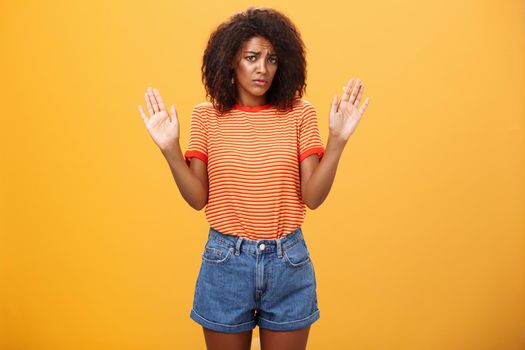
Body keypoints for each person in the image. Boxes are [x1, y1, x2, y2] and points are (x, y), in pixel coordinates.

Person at [138, 6, 370, 350]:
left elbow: (314, 197)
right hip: (225, 262)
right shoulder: (207, 117)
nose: (263, 69)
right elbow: (197, 199)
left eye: (272, 59)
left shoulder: (299, 114)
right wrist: (170, 149)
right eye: (252, 57)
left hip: (288, 262)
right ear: (231, 60)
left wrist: (338, 141)